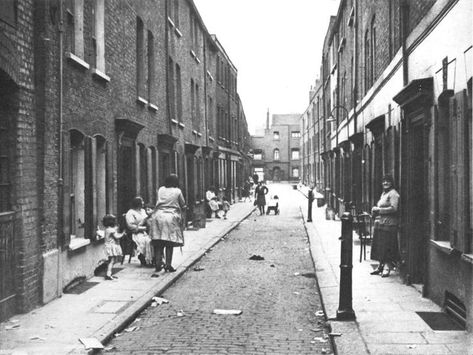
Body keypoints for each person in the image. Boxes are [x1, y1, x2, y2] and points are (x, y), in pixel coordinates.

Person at [149, 174, 186, 275]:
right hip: (171, 217)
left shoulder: (160, 189)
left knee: (158, 241)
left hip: (157, 216)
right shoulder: (178, 191)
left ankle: (158, 264)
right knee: (169, 242)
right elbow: (183, 204)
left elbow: (158, 201)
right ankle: (168, 265)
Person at [370, 175, 400, 278]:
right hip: (381, 223)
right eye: (384, 182)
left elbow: (394, 208)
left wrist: (379, 210)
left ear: (391, 183)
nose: (385, 183)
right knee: (381, 246)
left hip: (389, 224)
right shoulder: (384, 193)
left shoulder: (393, 194)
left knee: (387, 246)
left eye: (387, 181)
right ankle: (380, 266)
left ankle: (387, 268)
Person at [125, 196, 153, 266]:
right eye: (142, 201)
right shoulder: (130, 213)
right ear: (137, 203)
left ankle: (153, 258)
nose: (143, 203)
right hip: (136, 233)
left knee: (154, 239)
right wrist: (143, 228)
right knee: (145, 240)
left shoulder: (143, 211)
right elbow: (130, 226)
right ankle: (142, 257)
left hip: (146, 232)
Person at [103, 214, 124, 280]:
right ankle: (108, 275)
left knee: (110, 261)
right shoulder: (112, 230)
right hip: (111, 246)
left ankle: (109, 273)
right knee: (112, 261)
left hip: (108, 246)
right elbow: (117, 236)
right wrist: (123, 233)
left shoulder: (107, 229)